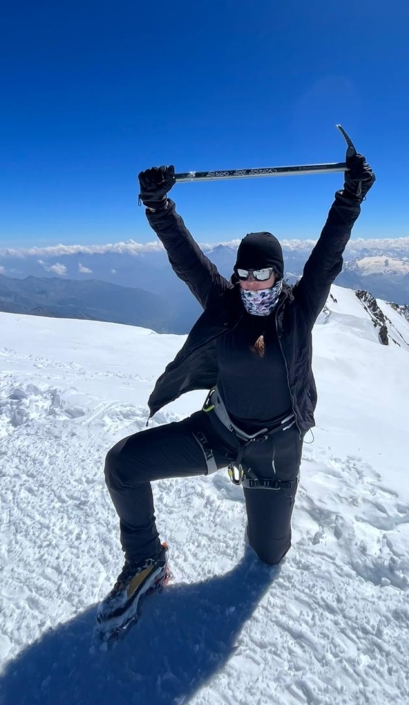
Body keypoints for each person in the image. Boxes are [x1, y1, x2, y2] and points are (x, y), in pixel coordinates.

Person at [96, 150, 376, 637]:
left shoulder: (298, 309)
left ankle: (262, 517)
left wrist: (349, 198)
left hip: (274, 450)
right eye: (243, 273)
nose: (249, 282)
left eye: (260, 273)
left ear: (278, 274)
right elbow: (188, 262)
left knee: (269, 554)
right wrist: (158, 207)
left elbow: (327, 256)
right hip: (219, 431)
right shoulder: (224, 304)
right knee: (122, 464)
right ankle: (146, 562)